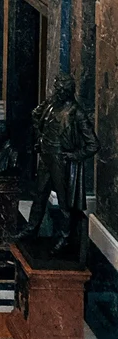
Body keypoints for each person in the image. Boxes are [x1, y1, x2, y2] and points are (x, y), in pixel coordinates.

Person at [22, 71, 98, 256]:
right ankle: (31, 229)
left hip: (61, 161)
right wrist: (40, 137)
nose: (55, 91)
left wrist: (74, 155)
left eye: (58, 88)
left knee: (64, 202)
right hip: (47, 156)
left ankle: (64, 237)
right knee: (39, 195)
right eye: (55, 88)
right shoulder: (50, 104)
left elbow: (93, 144)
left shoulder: (76, 113)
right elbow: (35, 115)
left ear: (66, 90)